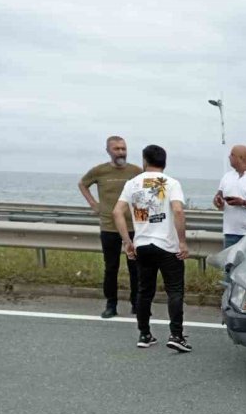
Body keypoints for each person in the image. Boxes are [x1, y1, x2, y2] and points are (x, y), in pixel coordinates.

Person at [111, 144, 190, 353]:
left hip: (142, 245)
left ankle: (144, 334)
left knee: (145, 291)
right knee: (175, 290)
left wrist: (127, 241)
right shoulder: (171, 183)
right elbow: (178, 211)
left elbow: (117, 212)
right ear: (164, 162)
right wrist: (182, 241)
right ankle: (176, 335)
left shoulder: (132, 183)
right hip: (167, 245)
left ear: (145, 161)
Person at [78, 136, 142, 319]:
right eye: (117, 149)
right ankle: (111, 304)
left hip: (133, 227)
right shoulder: (100, 171)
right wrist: (93, 203)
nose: (121, 152)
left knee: (135, 268)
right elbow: (83, 184)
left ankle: (136, 304)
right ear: (108, 151)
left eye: (123, 148)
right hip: (108, 227)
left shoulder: (136, 171)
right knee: (111, 267)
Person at [213, 145, 246, 248]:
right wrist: (218, 201)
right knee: (230, 264)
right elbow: (218, 195)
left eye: (232, 155)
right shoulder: (227, 177)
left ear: (241, 158)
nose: (229, 157)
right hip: (230, 233)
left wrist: (243, 202)